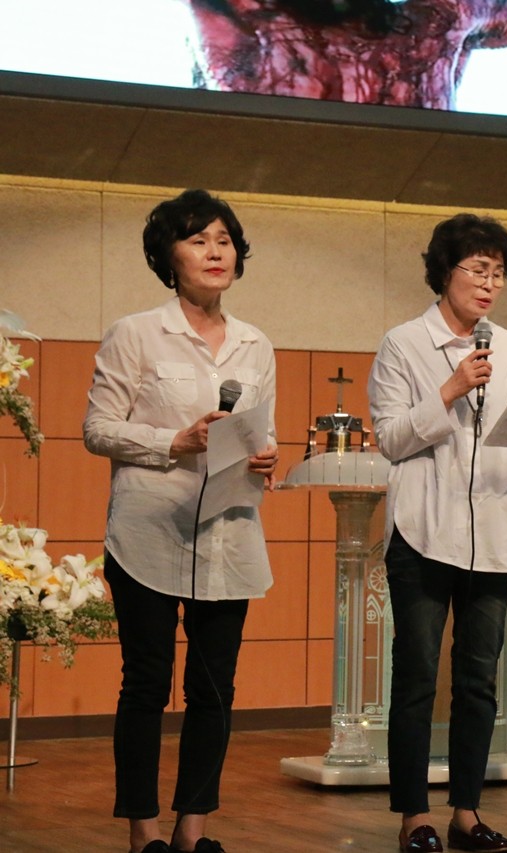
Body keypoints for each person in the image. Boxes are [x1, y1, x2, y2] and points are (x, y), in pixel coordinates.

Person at [368, 213, 507, 853]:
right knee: (417, 676)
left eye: (499, 273)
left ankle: (465, 811)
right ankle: (413, 816)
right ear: (444, 271)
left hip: (495, 530)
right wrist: (451, 390)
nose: (490, 284)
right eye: (478, 270)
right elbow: (391, 439)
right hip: (424, 530)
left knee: (480, 681)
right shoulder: (404, 343)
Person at [83, 189, 278, 853]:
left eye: (224, 240)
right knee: (146, 683)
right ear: (168, 256)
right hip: (148, 534)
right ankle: (143, 833)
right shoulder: (136, 332)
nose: (215, 251)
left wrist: (265, 457)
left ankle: (193, 830)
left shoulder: (255, 343)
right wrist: (176, 441)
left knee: (214, 689)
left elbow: (261, 432)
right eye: (198, 240)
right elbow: (97, 429)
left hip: (229, 531)